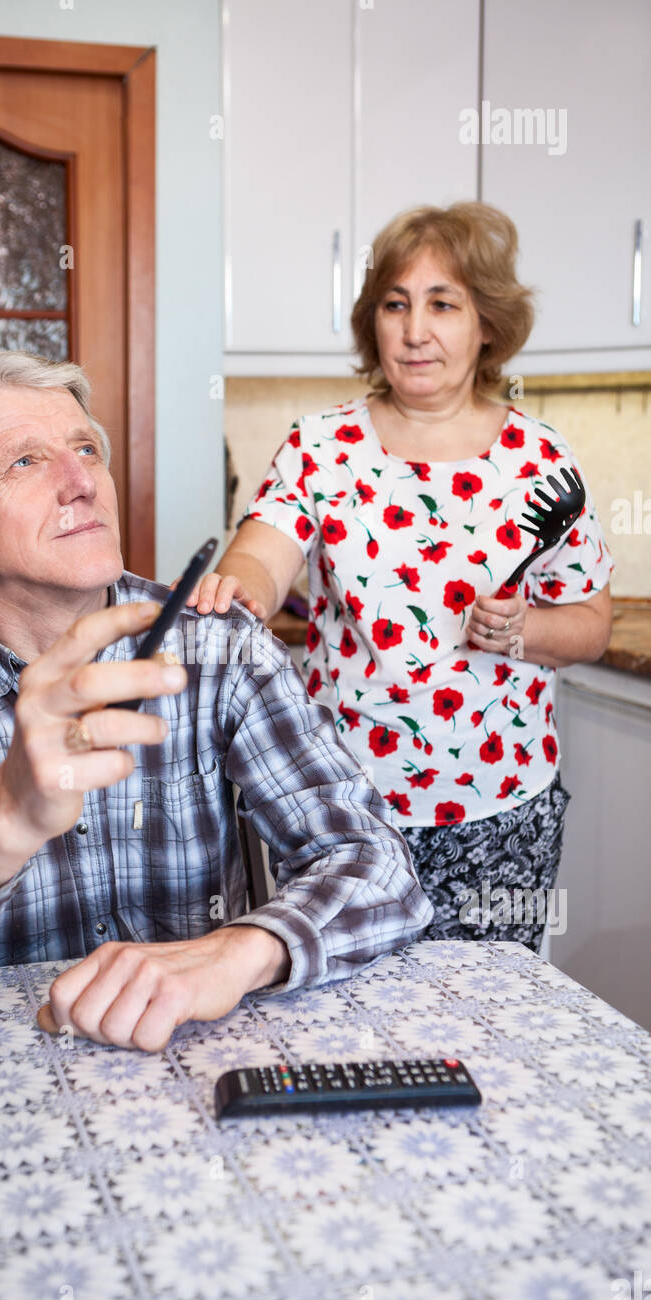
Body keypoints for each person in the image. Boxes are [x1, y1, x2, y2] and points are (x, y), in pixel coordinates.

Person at [0, 349, 432, 1051]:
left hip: (190, 1052)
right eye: (25, 462)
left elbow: (379, 867)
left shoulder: (217, 642)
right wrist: (3, 816)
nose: (82, 482)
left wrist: (239, 953)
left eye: (86, 449)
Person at [183, 203, 614, 952]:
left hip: (499, 809)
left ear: (487, 324)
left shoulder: (541, 459)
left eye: (443, 304)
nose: (415, 331)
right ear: (372, 321)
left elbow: (592, 621)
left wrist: (527, 629)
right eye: (395, 304)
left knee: (487, 1028)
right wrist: (241, 587)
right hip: (342, 814)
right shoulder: (322, 447)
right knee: (343, 1026)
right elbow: (264, 550)